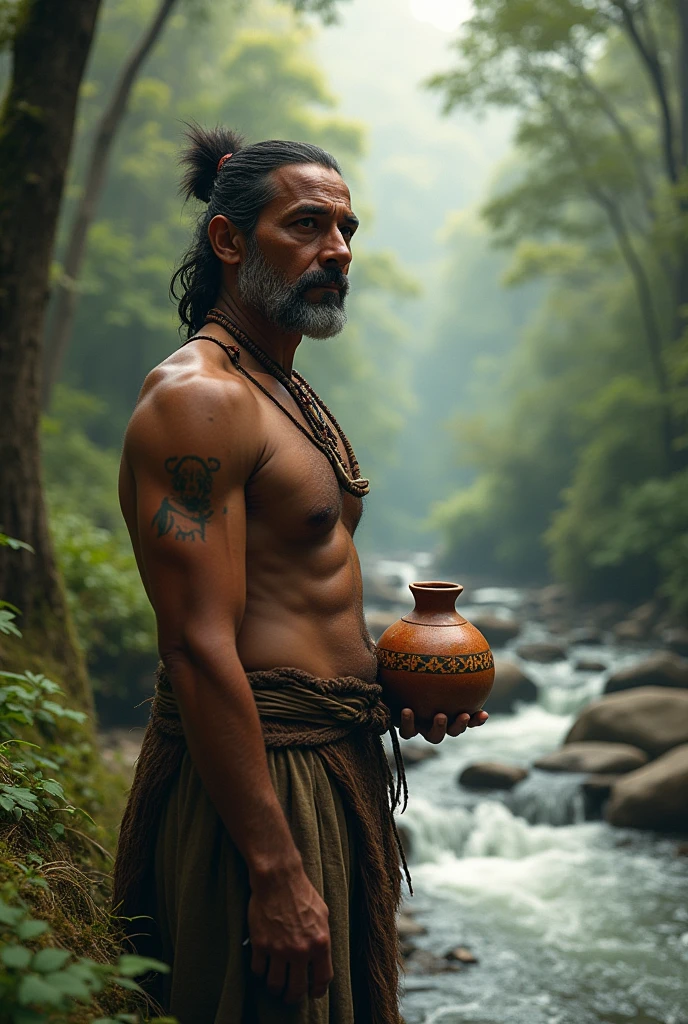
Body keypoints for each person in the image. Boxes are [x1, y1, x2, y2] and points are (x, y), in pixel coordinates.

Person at [113, 125, 488, 1024]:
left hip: (329, 767)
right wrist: (276, 871)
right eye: (309, 225)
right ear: (229, 241)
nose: (338, 251)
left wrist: (390, 690)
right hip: (259, 789)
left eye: (347, 230)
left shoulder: (276, 386)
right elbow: (200, 648)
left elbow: (293, 595)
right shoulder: (200, 400)